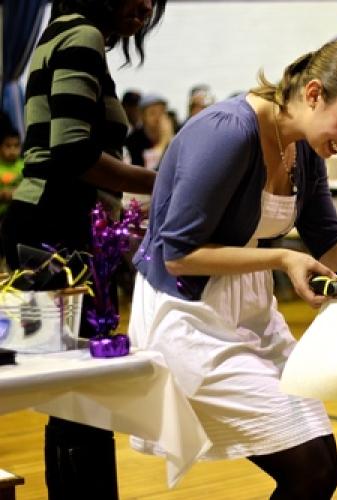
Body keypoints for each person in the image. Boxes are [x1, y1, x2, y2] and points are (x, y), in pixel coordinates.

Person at [127, 39, 337, 499]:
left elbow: (334, 249)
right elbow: (178, 252)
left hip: (251, 312)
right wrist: (283, 257)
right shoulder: (228, 130)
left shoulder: (304, 148)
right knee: (311, 469)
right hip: (187, 314)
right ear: (314, 94)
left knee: (319, 467)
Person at [0, 1, 165, 498]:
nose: (147, 6)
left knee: (71, 394)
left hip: (50, 222)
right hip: (57, 227)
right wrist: (168, 182)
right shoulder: (81, 38)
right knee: (81, 390)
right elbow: (74, 153)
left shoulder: (60, 33)